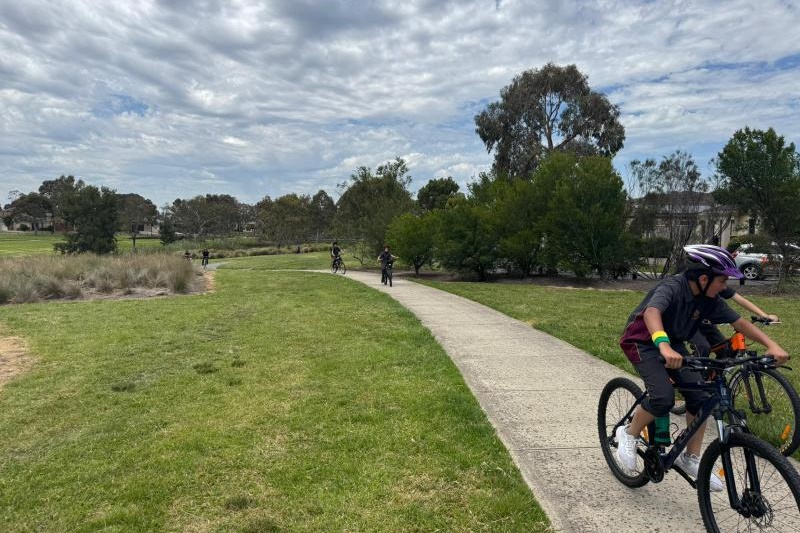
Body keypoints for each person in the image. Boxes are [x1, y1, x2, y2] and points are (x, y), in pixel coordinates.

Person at [616, 244, 788, 491]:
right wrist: (663, 346)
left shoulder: (710, 298)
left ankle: (691, 458)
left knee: (701, 396)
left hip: (673, 344)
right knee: (663, 397)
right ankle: (629, 433)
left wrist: (772, 345)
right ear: (704, 278)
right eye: (723, 280)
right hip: (643, 343)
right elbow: (652, 313)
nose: (725, 286)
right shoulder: (672, 287)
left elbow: (739, 323)